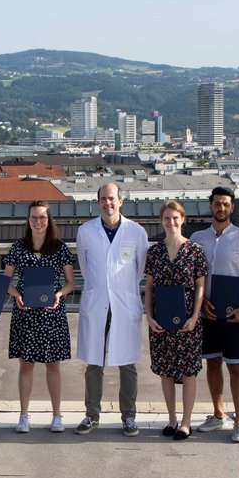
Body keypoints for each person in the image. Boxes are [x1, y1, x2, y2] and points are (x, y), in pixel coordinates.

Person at [75, 182, 149, 437]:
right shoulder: (85, 231)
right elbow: (85, 267)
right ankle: (91, 414)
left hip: (124, 303)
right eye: (104, 199)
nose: (108, 203)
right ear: (98, 202)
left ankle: (129, 416)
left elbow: (139, 270)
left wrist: (119, 288)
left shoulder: (136, 232)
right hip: (97, 303)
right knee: (94, 363)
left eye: (112, 198)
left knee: (127, 363)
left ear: (121, 201)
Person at [191, 187, 239, 443]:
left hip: (235, 314)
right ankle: (218, 414)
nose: (221, 208)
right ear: (210, 205)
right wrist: (201, 303)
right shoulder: (198, 238)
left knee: (236, 366)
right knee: (212, 363)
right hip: (207, 312)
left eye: (226, 204)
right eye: (217, 203)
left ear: (232, 207)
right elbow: (194, 277)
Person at [3, 201, 76, 433]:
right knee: (26, 365)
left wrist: (58, 294)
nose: (37, 221)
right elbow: (6, 282)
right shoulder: (17, 248)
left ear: (49, 220)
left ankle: (57, 415)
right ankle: (24, 415)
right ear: (28, 220)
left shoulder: (60, 248)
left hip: (51, 314)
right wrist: (16, 295)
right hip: (25, 313)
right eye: (34, 217)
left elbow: (70, 284)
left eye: (42, 217)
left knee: (53, 365)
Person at [144, 200, 207, 440]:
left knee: (189, 372)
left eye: (175, 218)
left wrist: (194, 316)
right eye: (166, 218)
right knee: (166, 372)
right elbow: (149, 287)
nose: (171, 222)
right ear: (161, 221)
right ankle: (171, 419)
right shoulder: (154, 252)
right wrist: (149, 316)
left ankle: (186, 422)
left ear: (183, 219)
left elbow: (201, 287)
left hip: (188, 322)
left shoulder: (195, 251)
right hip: (160, 320)